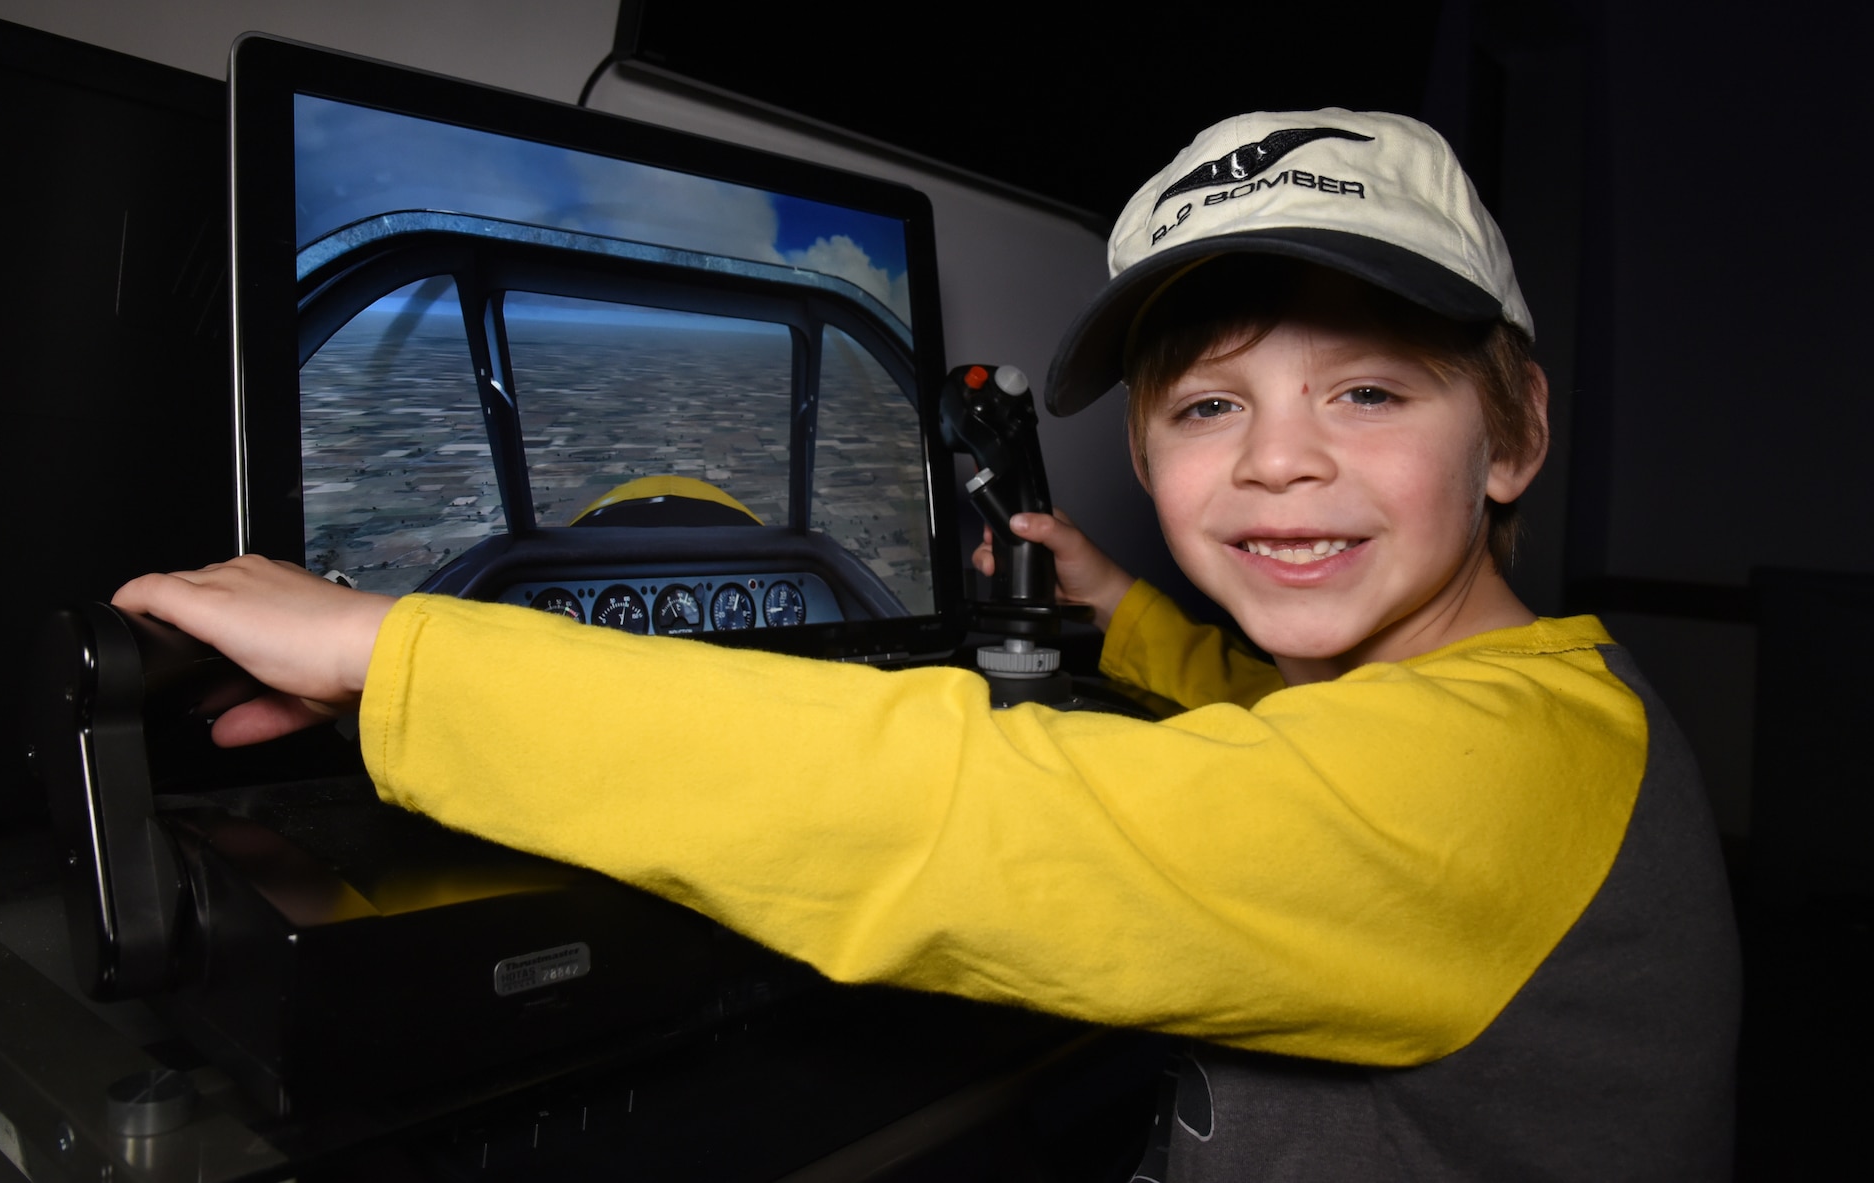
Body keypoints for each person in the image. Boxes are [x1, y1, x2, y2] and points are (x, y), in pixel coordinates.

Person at [115, 110, 1740, 1179]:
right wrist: (1119, 606)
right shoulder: (1479, 701)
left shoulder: (1503, 774)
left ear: (1516, 430)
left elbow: (978, 813)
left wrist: (396, 651)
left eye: (1369, 391)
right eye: (1208, 406)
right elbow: (1259, 707)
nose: (1274, 462)